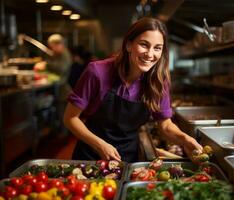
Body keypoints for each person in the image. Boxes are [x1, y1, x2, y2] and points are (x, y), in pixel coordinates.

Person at [63, 17, 202, 162]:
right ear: (129, 45)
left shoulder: (159, 81)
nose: (150, 54)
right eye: (144, 44)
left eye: (157, 48)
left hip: (129, 158)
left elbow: (165, 125)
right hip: (90, 155)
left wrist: (186, 140)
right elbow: (70, 118)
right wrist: (100, 145)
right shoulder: (97, 72)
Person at [35, 34, 72, 135]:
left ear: (59, 44)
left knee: (62, 114)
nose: (52, 49)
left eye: (53, 46)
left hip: (63, 90)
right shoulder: (57, 54)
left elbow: (61, 68)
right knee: (59, 113)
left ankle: (64, 135)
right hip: (58, 88)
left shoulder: (65, 54)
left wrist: (46, 64)